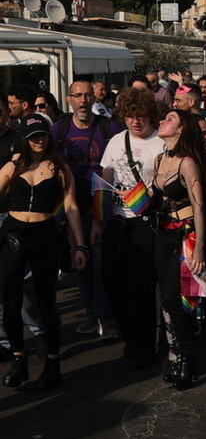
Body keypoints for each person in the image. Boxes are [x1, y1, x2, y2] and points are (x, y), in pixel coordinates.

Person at [0, 115, 88, 390]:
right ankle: (18, 358)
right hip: (13, 235)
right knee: (10, 301)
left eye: (43, 135)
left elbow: (71, 207)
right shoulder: (14, 165)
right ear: (24, 139)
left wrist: (79, 246)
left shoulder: (60, 168)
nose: (39, 140)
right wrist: (10, 167)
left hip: (45, 236)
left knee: (45, 302)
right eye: (33, 136)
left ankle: (52, 363)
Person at [98, 88, 166, 370]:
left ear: (150, 115)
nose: (135, 121)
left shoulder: (161, 143)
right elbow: (104, 181)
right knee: (113, 285)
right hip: (116, 222)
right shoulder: (116, 141)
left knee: (141, 288)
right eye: (129, 116)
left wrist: (145, 197)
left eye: (141, 115)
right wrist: (98, 221)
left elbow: (165, 185)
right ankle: (130, 340)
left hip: (145, 222)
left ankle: (145, 347)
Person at [51, 80, 121, 340]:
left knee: (101, 261)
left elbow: (115, 167)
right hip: (70, 204)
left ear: (94, 98)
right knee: (80, 260)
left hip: (100, 203)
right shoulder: (59, 130)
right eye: (78, 95)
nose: (83, 100)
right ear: (69, 99)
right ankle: (91, 313)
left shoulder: (108, 127)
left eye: (88, 95)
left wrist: (99, 218)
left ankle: (106, 317)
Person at [150, 110, 206, 390]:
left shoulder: (188, 163)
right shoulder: (159, 159)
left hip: (185, 236)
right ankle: (175, 357)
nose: (162, 121)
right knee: (167, 299)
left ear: (182, 128)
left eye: (170, 118)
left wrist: (199, 248)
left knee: (176, 298)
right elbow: (156, 197)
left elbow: (200, 207)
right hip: (162, 233)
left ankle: (188, 359)